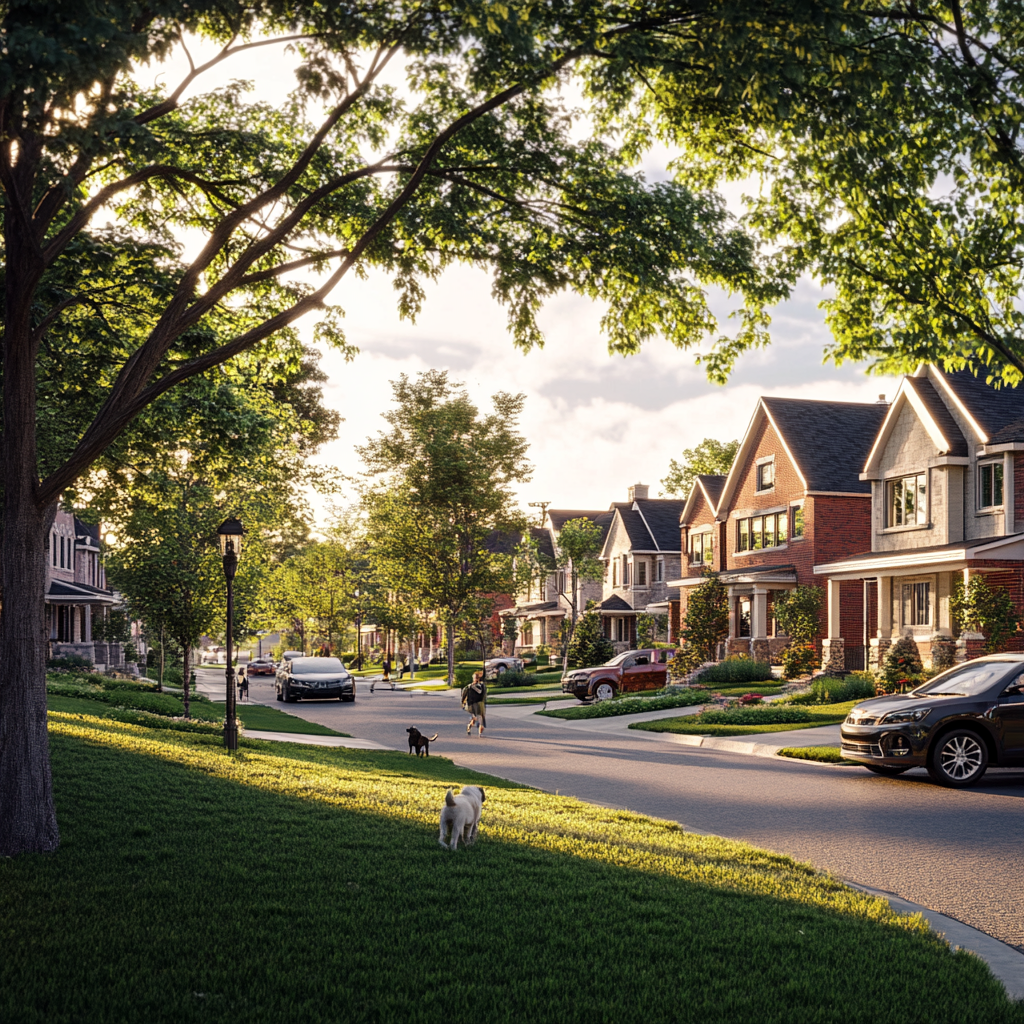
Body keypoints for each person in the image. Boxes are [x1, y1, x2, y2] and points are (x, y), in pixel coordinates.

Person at [462, 670, 487, 737]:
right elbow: (464, 694)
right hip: (472, 705)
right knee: (475, 718)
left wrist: (484, 702)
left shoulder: (482, 686)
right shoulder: (469, 686)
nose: (476, 679)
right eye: (475, 677)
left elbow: (484, 694)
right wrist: (463, 702)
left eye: (477, 677)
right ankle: (469, 727)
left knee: (480, 718)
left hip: (480, 703)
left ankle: (480, 733)